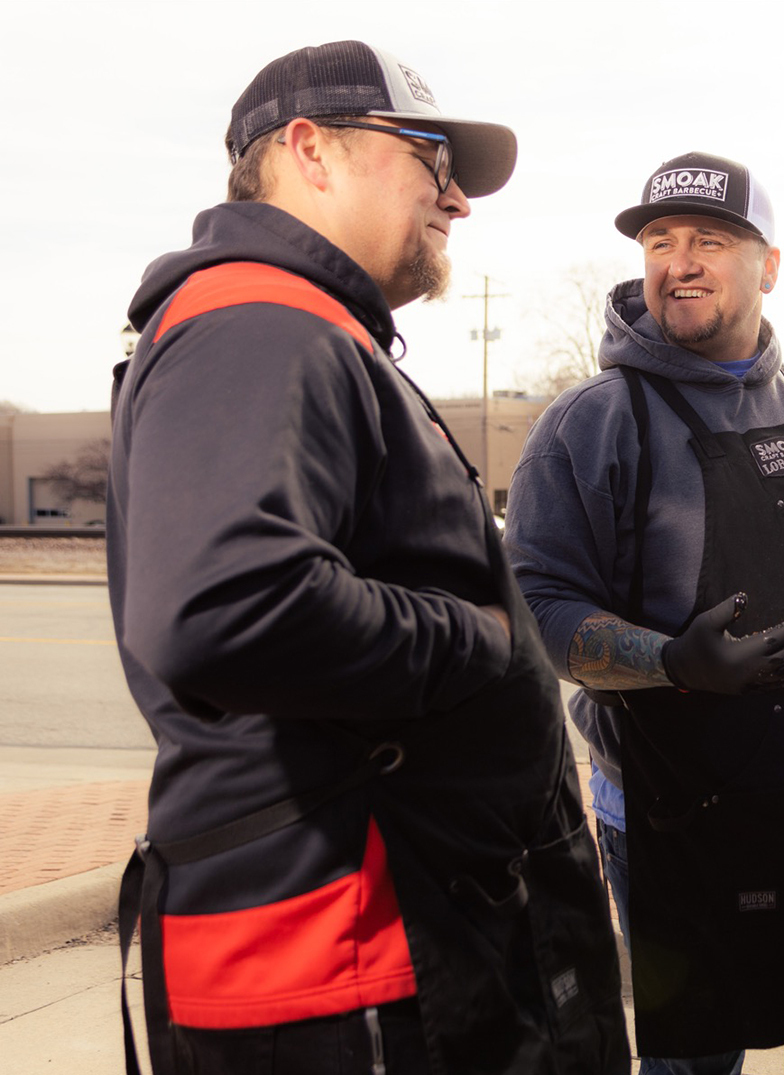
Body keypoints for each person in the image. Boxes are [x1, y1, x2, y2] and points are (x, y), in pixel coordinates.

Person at [107, 41, 628, 1075]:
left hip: (395, 955)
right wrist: (478, 643)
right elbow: (224, 603)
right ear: (310, 151)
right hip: (350, 974)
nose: (459, 201)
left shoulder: (309, 327)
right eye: (433, 159)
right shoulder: (256, 320)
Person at [504, 151, 784, 1073]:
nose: (680, 261)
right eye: (660, 241)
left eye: (710, 239)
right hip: (671, 816)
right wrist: (673, 662)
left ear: (768, 266)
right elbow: (537, 609)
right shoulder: (591, 425)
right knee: (695, 1057)